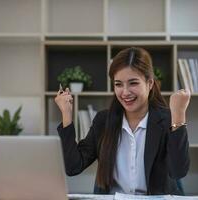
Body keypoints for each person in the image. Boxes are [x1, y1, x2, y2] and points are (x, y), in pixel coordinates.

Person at [55, 47, 190, 195]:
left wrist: (178, 115)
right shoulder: (103, 121)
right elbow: (73, 166)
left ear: (150, 83)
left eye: (133, 83)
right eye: (118, 84)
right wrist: (66, 114)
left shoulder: (165, 120)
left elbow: (178, 171)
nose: (125, 92)